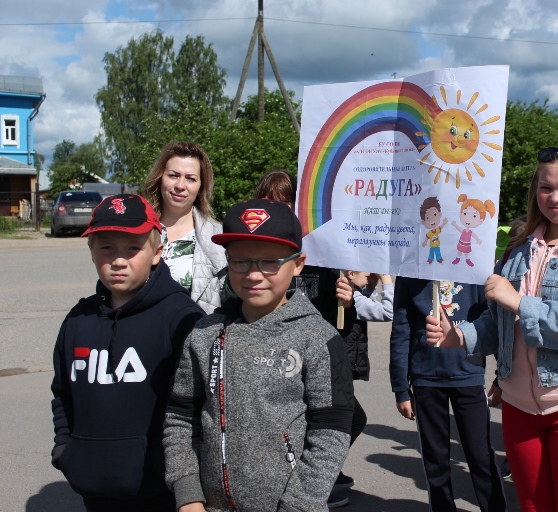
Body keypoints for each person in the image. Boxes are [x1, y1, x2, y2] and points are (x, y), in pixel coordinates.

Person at [427, 144, 558, 512]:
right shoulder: (519, 249)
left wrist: (519, 301)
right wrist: (460, 336)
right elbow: (498, 321)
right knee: (532, 506)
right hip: (519, 407)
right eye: (545, 187)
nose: (554, 197)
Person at [163, 198, 355, 512]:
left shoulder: (319, 338)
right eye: (241, 261)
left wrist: (300, 504)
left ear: (298, 263)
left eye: (270, 262)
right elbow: (180, 418)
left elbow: (331, 432)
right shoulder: (203, 334)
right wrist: (188, 494)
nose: (253, 274)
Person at [51, 194, 205, 511]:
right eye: (107, 247)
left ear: (156, 252)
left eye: (133, 248)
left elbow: (199, 408)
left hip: (161, 493)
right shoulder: (78, 320)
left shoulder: (183, 319)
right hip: (93, 488)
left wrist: (179, 476)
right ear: (91, 251)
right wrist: (66, 450)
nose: (119, 260)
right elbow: (61, 393)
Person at [253, 168, 358, 508]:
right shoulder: (259, 254)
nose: (279, 210)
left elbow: (338, 324)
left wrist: (347, 302)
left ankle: (314, 475)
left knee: (351, 418)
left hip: (311, 356)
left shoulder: (319, 253)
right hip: (272, 354)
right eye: (270, 203)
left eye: (286, 203)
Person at [390, 276, 507, 512]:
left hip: (469, 374)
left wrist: (501, 373)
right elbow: (401, 330)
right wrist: (401, 388)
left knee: (481, 454)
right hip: (426, 378)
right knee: (436, 460)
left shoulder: (474, 269)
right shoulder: (410, 274)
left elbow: (492, 324)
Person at [142, 141, 227, 314]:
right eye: (173, 175)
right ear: (160, 178)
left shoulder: (219, 237)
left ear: (201, 186)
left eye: (190, 178)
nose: (180, 186)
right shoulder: (138, 227)